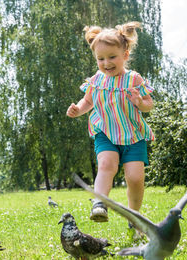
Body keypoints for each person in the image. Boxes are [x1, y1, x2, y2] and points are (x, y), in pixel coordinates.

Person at [66, 21, 154, 225]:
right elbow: (88, 101)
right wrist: (78, 109)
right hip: (105, 132)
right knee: (106, 165)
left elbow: (149, 104)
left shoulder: (134, 80)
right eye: (101, 59)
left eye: (112, 57)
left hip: (133, 135)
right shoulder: (97, 80)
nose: (106, 63)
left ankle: (134, 215)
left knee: (135, 178)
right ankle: (99, 203)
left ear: (125, 54)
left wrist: (140, 102)